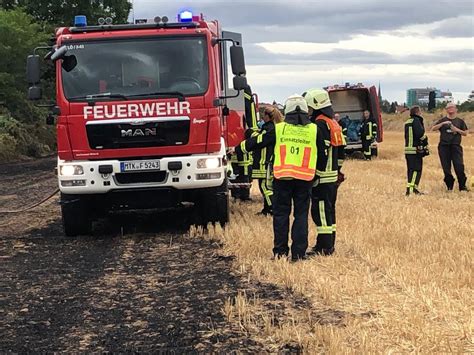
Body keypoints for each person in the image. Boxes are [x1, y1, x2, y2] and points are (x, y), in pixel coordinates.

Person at [232, 95, 322, 261]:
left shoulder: (279, 129)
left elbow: (258, 141)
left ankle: (280, 252)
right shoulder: (314, 129)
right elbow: (323, 154)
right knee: (301, 216)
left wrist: (237, 149)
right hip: (304, 179)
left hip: (282, 179)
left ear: (287, 111)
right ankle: (299, 254)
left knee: (281, 215)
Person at [303, 89, 345, 256]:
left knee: (320, 212)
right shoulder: (332, 123)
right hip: (332, 176)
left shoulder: (320, 124)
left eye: (309, 108)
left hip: (322, 177)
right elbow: (341, 151)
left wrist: (317, 173)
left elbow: (321, 152)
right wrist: (338, 169)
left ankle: (325, 247)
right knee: (329, 211)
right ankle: (327, 243)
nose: (308, 112)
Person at [237, 106, 283, 215]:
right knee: (264, 187)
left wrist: (249, 134)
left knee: (265, 187)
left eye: (264, 115)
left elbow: (259, 140)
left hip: (265, 163)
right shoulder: (270, 127)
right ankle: (267, 209)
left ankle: (272, 208)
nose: (263, 117)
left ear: (268, 116)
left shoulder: (270, 129)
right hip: (264, 163)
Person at [431, 102, 469, 191]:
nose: (450, 109)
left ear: (456, 109)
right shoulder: (442, 120)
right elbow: (433, 128)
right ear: (446, 110)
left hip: (456, 146)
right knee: (446, 168)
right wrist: (442, 124)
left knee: (459, 166)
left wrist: (456, 129)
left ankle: (462, 186)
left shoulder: (460, 121)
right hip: (444, 147)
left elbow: (466, 133)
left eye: (452, 107)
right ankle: (449, 186)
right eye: (448, 108)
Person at [404, 106, 429, 195]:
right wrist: (425, 140)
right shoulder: (416, 121)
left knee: (410, 170)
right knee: (416, 170)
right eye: (420, 112)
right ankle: (411, 190)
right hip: (415, 150)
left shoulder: (408, 121)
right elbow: (419, 134)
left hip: (408, 150)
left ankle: (411, 189)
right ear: (417, 113)